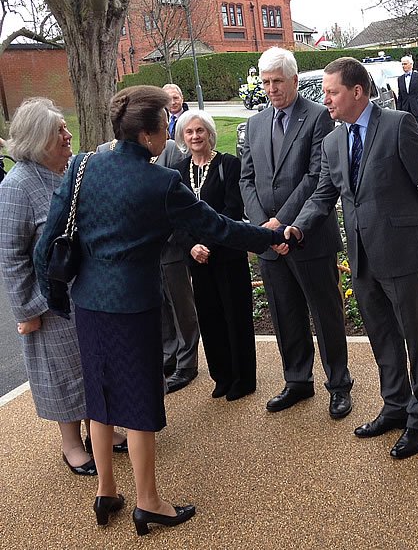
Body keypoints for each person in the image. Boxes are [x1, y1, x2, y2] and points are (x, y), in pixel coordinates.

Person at [34, 86, 289, 534]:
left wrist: (56, 300)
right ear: (154, 133)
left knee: (101, 398)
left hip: (89, 303)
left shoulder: (82, 165)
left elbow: (47, 243)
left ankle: (107, 493)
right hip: (133, 306)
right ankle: (149, 501)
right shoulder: (162, 182)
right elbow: (220, 228)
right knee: (138, 402)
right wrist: (271, 236)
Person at [285, 57, 418, 459]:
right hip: (362, 256)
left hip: (403, 253)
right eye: (324, 93)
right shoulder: (332, 142)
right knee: (382, 335)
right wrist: (299, 226)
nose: (326, 100)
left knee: (416, 336)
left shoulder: (397, 125)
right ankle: (395, 405)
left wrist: (411, 224)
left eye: (332, 92)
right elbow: (324, 193)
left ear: (357, 92)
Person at [0, 98, 126, 477]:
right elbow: (10, 257)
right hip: (48, 305)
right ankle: (71, 444)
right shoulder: (17, 186)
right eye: (59, 130)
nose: (68, 134)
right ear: (38, 139)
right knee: (63, 375)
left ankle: (98, 430)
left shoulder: (64, 172)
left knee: (93, 367)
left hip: (86, 296)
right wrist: (29, 311)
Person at [239, 47, 353, 417]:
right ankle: (297, 381)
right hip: (269, 242)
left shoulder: (319, 118)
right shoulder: (255, 124)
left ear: (293, 80)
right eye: (266, 81)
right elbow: (247, 179)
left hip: (309, 238)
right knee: (285, 313)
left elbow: (316, 177)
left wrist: (283, 224)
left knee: (326, 315)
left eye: (277, 81)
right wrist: (264, 226)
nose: (271, 88)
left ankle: (339, 384)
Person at [97, 138, 200, 394]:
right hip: (141, 250)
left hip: (171, 242)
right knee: (160, 305)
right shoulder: (103, 152)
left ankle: (187, 363)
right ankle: (169, 354)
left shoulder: (168, 147)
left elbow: (178, 196)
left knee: (181, 304)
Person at [172, 110, 258, 401]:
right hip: (197, 259)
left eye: (200, 131)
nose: (195, 136)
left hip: (227, 254)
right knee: (209, 318)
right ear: (183, 137)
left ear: (210, 133)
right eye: (189, 132)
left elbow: (233, 209)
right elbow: (175, 216)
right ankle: (221, 376)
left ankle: (243, 379)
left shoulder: (228, 165)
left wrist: (208, 243)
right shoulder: (180, 172)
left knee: (236, 315)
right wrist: (191, 247)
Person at [396, 55, 418, 133]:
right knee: (408, 130)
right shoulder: (400, 79)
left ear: (411, 64)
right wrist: (398, 110)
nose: (403, 66)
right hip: (406, 108)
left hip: (417, 107)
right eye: (402, 64)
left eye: (405, 64)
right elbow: (400, 96)